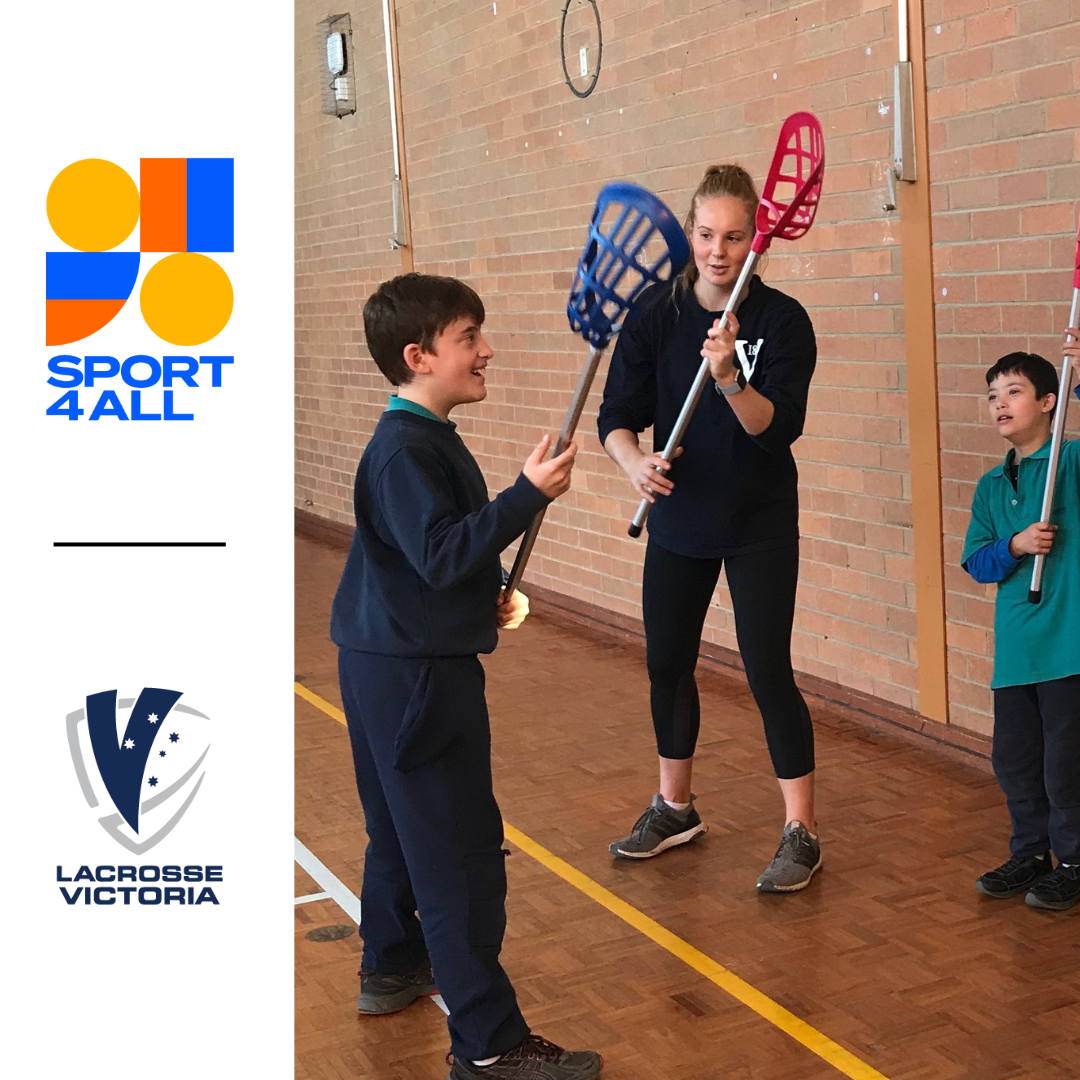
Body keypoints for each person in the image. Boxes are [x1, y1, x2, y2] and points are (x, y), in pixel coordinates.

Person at [330, 273, 602, 1078]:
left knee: (400, 829)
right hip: (414, 677)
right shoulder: (405, 450)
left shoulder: (420, 439)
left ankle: (392, 965)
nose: (485, 350)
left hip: (389, 658)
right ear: (419, 356)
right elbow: (443, 551)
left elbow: (433, 561)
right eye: (468, 337)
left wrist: (484, 598)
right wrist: (526, 495)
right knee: (458, 856)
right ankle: (488, 1045)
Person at [597, 164, 821, 892]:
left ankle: (800, 831)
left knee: (766, 672)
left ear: (757, 237)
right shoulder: (656, 314)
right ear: (690, 232)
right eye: (704, 234)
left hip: (758, 522)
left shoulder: (782, 321)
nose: (718, 250)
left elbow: (774, 430)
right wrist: (634, 463)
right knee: (667, 663)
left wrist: (729, 378)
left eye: (733, 236)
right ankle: (675, 807)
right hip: (679, 519)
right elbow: (616, 418)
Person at [962, 334, 1080, 911]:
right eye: (993, 396)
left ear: (1049, 402)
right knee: (1016, 761)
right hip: (1016, 651)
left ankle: (1075, 861)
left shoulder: (1074, 461)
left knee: (1067, 764)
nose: (1000, 404)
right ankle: (1031, 852)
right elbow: (978, 562)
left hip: (1068, 646)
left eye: (1014, 391)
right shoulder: (991, 485)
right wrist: (1015, 543)